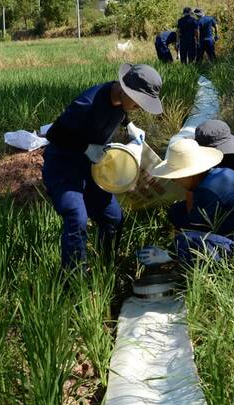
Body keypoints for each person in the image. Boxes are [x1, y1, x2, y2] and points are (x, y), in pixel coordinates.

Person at [43, 64, 163, 270]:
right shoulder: (88, 103)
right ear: (125, 90)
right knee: (76, 217)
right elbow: (54, 134)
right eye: (139, 102)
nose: (141, 107)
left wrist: (130, 127)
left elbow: (120, 114)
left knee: (113, 218)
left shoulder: (122, 104)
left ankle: (105, 267)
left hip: (93, 170)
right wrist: (86, 147)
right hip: (64, 168)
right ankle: (74, 278)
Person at [136, 139, 234, 268]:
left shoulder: (206, 191)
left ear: (190, 173)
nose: (174, 181)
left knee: (184, 241)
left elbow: (196, 227)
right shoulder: (220, 174)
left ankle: (179, 261)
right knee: (176, 211)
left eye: (176, 176)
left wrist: (170, 253)